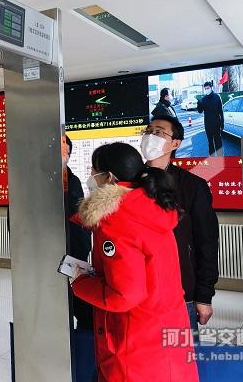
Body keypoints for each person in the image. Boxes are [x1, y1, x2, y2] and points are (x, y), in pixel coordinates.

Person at [71, 142, 198, 382]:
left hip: (135, 341)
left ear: (109, 177)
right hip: (167, 331)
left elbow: (125, 295)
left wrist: (80, 281)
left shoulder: (116, 219)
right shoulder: (154, 206)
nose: (90, 177)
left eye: (93, 171)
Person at [141, 115, 219, 334]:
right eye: (148, 131)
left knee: (181, 349)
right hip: (139, 291)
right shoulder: (131, 182)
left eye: (158, 132)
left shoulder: (193, 186)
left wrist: (204, 295)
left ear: (175, 144)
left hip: (180, 290)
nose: (150, 136)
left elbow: (207, 242)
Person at [63, 136, 96, 382]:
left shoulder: (70, 181)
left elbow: (77, 225)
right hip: (51, 258)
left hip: (71, 259)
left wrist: (77, 259)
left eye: (65, 150)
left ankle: (81, 361)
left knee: (82, 311)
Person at [197, 81, 224, 156]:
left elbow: (221, 111)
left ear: (211, 88)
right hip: (208, 125)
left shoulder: (217, 97)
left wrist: (222, 123)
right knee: (210, 143)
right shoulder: (204, 99)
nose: (207, 90)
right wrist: (199, 104)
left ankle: (220, 157)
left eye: (208, 88)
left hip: (216, 124)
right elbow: (200, 111)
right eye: (205, 88)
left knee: (218, 142)